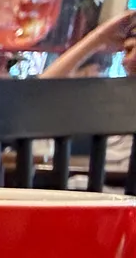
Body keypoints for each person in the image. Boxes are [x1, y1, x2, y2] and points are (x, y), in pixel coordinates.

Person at [41, 11, 136, 172]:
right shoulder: (112, 100)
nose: (130, 59)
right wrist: (98, 38)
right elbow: (33, 96)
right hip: (90, 188)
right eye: (128, 51)